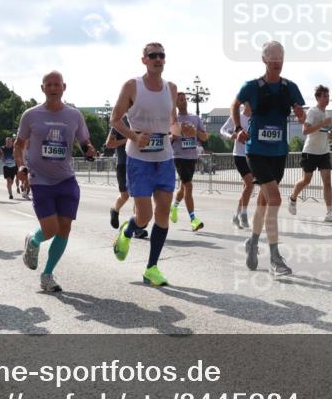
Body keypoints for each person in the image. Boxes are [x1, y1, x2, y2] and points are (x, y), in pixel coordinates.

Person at [231, 41, 306, 276]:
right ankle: (275, 258)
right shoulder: (251, 87)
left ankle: (252, 242)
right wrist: (238, 128)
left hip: (279, 153)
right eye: (273, 59)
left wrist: (301, 114)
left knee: (264, 202)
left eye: (280, 59)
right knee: (275, 199)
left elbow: (301, 114)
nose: (277, 63)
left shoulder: (290, 87)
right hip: (256, 151)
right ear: (264, 60)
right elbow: (234, 105)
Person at [17, 71, 96, 293]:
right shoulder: (30, 115)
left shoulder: (74, 115)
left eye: (57, 84)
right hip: (40, 179)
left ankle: (47, 274)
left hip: (66, 179)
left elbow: (84, 141)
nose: (53, 88)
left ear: (64, 87)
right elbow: (19, 144)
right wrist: (21, 165)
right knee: (50, 229)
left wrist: (89, 149)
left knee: (64, 228)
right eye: (49, 84)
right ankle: (34, 240)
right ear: (42, 88)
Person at [110, 42, 179, 287]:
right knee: (144, 217)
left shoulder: (171, 88)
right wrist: (135, 137)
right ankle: (127, 231)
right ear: (144, 60)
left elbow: (173, 121)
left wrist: (178, 132)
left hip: (165, 158)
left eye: (161, 55)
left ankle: (151, 268)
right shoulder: (132, 86)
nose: (158, 59)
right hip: (139, 160)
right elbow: (115, 120)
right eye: (153, 55)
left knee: (163, 213)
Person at [289, 85, 332, 222]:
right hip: (310, 151)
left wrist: (330, 132)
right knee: (306, 180)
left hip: (324, 151)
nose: (327, 99)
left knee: (327, 182)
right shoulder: (312, 111)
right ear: (318, 98)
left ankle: (329, 212)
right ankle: (293, 198)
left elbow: (321, 131)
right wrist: (323, 123)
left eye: (328, 96)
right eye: (324, 96)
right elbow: (305, 131)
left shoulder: (326, 114)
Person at [169, 91, 209, 231]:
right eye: (180, 100)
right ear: (175, 104)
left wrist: (195, 132)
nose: (184, 101)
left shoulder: (195, 118)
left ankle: (174, 207)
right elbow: (167, 139)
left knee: (183, 187)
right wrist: (176, 134)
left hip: (192, 157)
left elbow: (205, 137)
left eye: (185, 99)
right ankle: (193, 220)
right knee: (189, 186)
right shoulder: (173, 120)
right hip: (179, 156)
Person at [220, 102, 254, 229]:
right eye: (248, 101)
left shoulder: (256, 117)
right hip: (239, 155)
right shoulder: (237, 116)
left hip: (252, 155)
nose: (251, 103)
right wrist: (231, 136)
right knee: (249, 184)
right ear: (244, 103)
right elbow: (222, 130)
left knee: (247, 188)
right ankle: (244, 214)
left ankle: (236, 216)